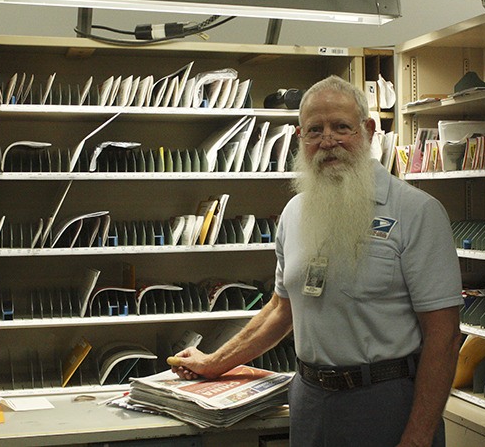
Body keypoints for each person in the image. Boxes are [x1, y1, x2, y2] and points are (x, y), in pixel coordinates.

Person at [169, 75, 463, 447]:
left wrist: (418, 437)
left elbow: (444, 336)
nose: (327, 141)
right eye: (314, 130)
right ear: (300, 138)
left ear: (368, 130)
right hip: (309, 400)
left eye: (341, 127)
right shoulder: (294, 213)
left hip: (385, 401)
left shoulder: (416, 212)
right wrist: (214, 362)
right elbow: (281, 309)